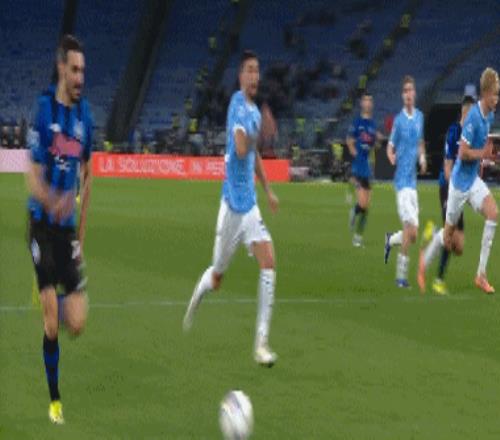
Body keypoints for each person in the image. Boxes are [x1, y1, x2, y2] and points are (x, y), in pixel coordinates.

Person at [183, 50, 279, 367]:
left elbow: (254, 157)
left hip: (249, 207)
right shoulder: (237, 105)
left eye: (257, 70)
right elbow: (240, 148)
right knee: (217, 277)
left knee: (269, 261)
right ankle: (199, 293)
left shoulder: (254, 113)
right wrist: (260, 134)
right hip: (231, 208)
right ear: (240, 76)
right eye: (249, 70)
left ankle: (261, 344)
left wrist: (268, 191)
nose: (254, 76)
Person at [26, 35, 93, 424]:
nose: (80, 77)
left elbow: (88, 175)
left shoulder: (86, 117)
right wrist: (52, 200)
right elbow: (32, 175)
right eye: (75, 70)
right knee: (52, 321)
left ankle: (48, 291)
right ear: (61, 69)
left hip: (66, 233)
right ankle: (55, 400)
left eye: (83, 70)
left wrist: (81, 236)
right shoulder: (43, 110)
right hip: (41, 225)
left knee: (78, 323)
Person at [417, 68, 499, 294]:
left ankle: (481, 275)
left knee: (493, 213)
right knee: (448, 236)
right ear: (485, 93)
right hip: (459, 185)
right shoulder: (473, 117)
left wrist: (488, 158)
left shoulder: (490, 116)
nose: (497, 98)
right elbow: (463, 153)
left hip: (472, 181)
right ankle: (424, 259)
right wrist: (483, 153)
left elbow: (480, 149)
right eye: (495, 94)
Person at [417, 96, 475, 294]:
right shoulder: (454, 132)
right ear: (464, 112)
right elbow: (448, 166)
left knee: (459, 247)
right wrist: (454, 190)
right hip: (447, 187)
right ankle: (438, 280)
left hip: (460, 189)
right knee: (450, 238)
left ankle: (434, 233)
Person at [384, 75, 427, 288]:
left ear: (414, 93)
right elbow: (390, 146)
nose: (409, 94)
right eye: (406, 91)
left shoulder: (420, 117)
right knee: (409, 230)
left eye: (411, 90)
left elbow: (420, 141)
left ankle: (391, 239)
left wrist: (423, 158)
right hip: (401, 183)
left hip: (413, 183)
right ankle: (401, 277)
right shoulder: (399, 121)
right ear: (402, 95)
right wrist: (391, 156)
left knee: (414, 234)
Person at [346, 93, 379, 247]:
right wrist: (355, 153)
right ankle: (355, 213)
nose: (367, 103)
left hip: (367, 168)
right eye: (365, 100)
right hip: (359, 167)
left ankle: (358, 236)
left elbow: (372, 145)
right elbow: (349, 140)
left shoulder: (373, 124)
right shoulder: (357, 122)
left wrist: (376, 144)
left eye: (370, 100)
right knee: (363, 202)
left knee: (366, 206)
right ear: (361, 104)